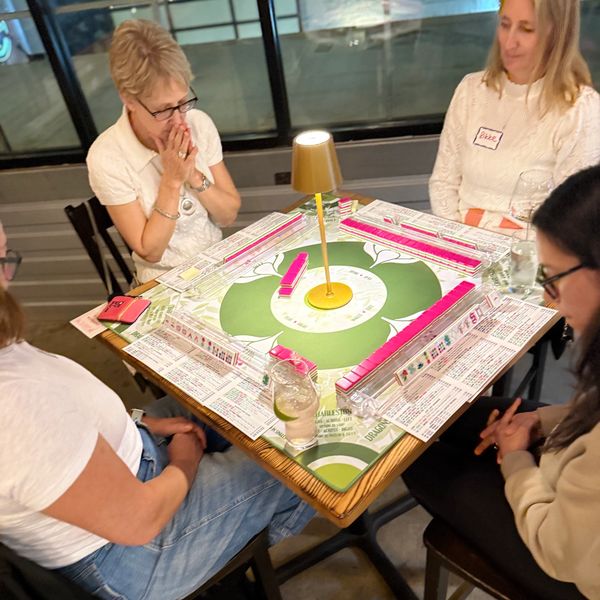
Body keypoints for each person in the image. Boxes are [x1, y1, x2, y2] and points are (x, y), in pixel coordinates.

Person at [0, 220, 314, 599]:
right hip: (132, 555)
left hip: (129, 465)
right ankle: (240, 543)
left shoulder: (12, 365)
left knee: (241, 392)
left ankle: (240, 523)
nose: (8, 276)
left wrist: (141, 421)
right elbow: (137, 520)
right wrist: (186, 460)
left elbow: (71, 416)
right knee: (304, 450)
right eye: (2, 260)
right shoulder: (16, 408)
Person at [404, 164, 600, 599]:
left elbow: (561, 551)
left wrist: (515, 461)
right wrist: (542, 422)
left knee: (416, 460)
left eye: (551, 278)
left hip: (569, 564)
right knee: (453, 421)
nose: (547, 297)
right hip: (574, 472)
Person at [87, 19, 241, 283]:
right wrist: (171, 180)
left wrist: (192, 174)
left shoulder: (198, 123)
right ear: (128, 98)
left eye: (183, 102)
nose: (180, 120)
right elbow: (151, 252)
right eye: (164, 110)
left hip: (218, 265)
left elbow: (228, 215)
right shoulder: (107, 157)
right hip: (162, 283)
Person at [429, 0, 600, 232]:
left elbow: (570, 224)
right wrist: (458, 243)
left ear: (558, 35)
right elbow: (443, 182)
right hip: (458, 243)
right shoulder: (471, 89)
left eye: (526, 29)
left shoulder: (580, 109)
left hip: (527, 257)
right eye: (505, 24)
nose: (510, 42)